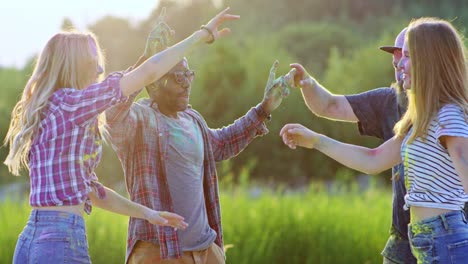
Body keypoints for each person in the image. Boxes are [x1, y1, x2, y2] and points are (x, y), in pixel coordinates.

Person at [3, 7, 239, 263]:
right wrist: (200, 36)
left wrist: (148, 214)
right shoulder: (72, 105)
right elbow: (146, 75)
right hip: (61, 240)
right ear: (74, 66)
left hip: (31, 239)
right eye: (93, 63)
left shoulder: (50, 111)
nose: (100, 70)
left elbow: (93, 192)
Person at [104, 16, 292, 263]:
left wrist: (264, 109)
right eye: (178, 77)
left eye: (188, 75)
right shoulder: (141, 119)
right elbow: (112, 113)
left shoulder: (193, 120)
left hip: (205, 249)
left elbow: (224, 143)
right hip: (159, 251)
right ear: (154, 84)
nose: (186, 84)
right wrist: (146, 60)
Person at [280, 17, 468, 263]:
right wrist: (316, 141)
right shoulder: (420, 120)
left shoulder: (449, 116)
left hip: (446, 241)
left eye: (408, 56)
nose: (400, 64)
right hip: (426, 241)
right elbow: (373, 159)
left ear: (429, 62)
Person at [286, 27, 415, 263]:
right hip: (403, 243)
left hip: (451, 238)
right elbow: (330, 106)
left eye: (405, 56)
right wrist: (309, 84)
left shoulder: (449, 111)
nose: (399, 66)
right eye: (395, 61)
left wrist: (316, 141)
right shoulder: (389, 100)